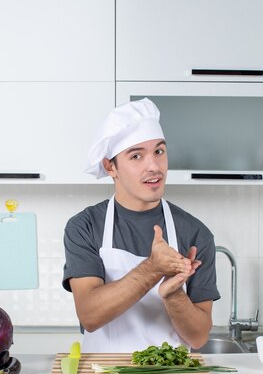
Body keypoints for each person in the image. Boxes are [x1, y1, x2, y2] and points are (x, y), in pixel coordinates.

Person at [62, 98, 219, 353]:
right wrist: (153, 269)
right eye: (136, 156)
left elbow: (199, 337)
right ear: (110, 166)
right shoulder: (85, 227)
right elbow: (89, 316)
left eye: (159, 151)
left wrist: (173, 294)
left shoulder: (195, 233)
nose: (154, 167)